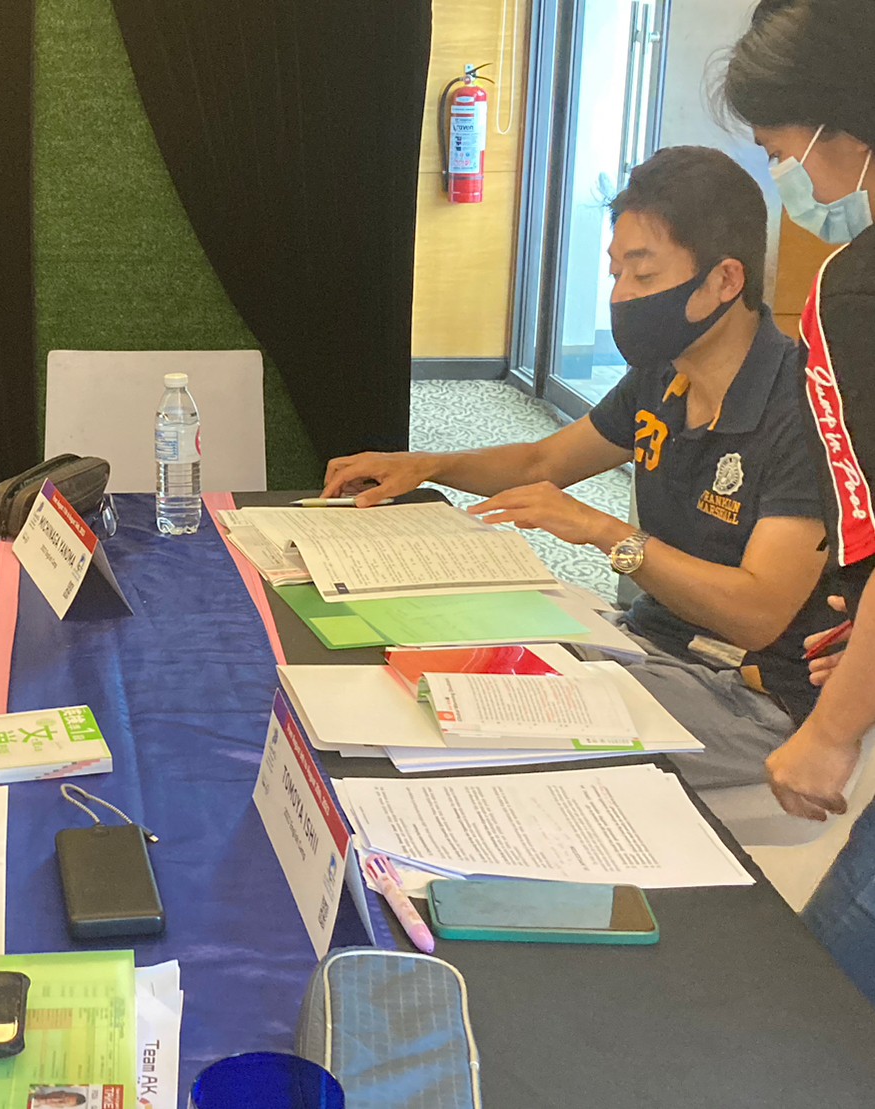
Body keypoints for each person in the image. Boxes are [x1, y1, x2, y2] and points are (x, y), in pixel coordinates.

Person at [323, 145, 835, 792]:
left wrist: (602, 531)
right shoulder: (662, 375)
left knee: (477, 735)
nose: (620, 296)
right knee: (433, 662)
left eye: (642, 276)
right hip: (647, 642)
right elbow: (544, 460)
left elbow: (757, 613)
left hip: (752, 699)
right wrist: (428, 465)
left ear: (725, 280)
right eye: (615, 273)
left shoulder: (805, 410)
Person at [719, 0, 875, 1003]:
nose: (800, 186)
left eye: (786, 154)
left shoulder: (855, 294)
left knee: (819, 1005)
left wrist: (830, 731)